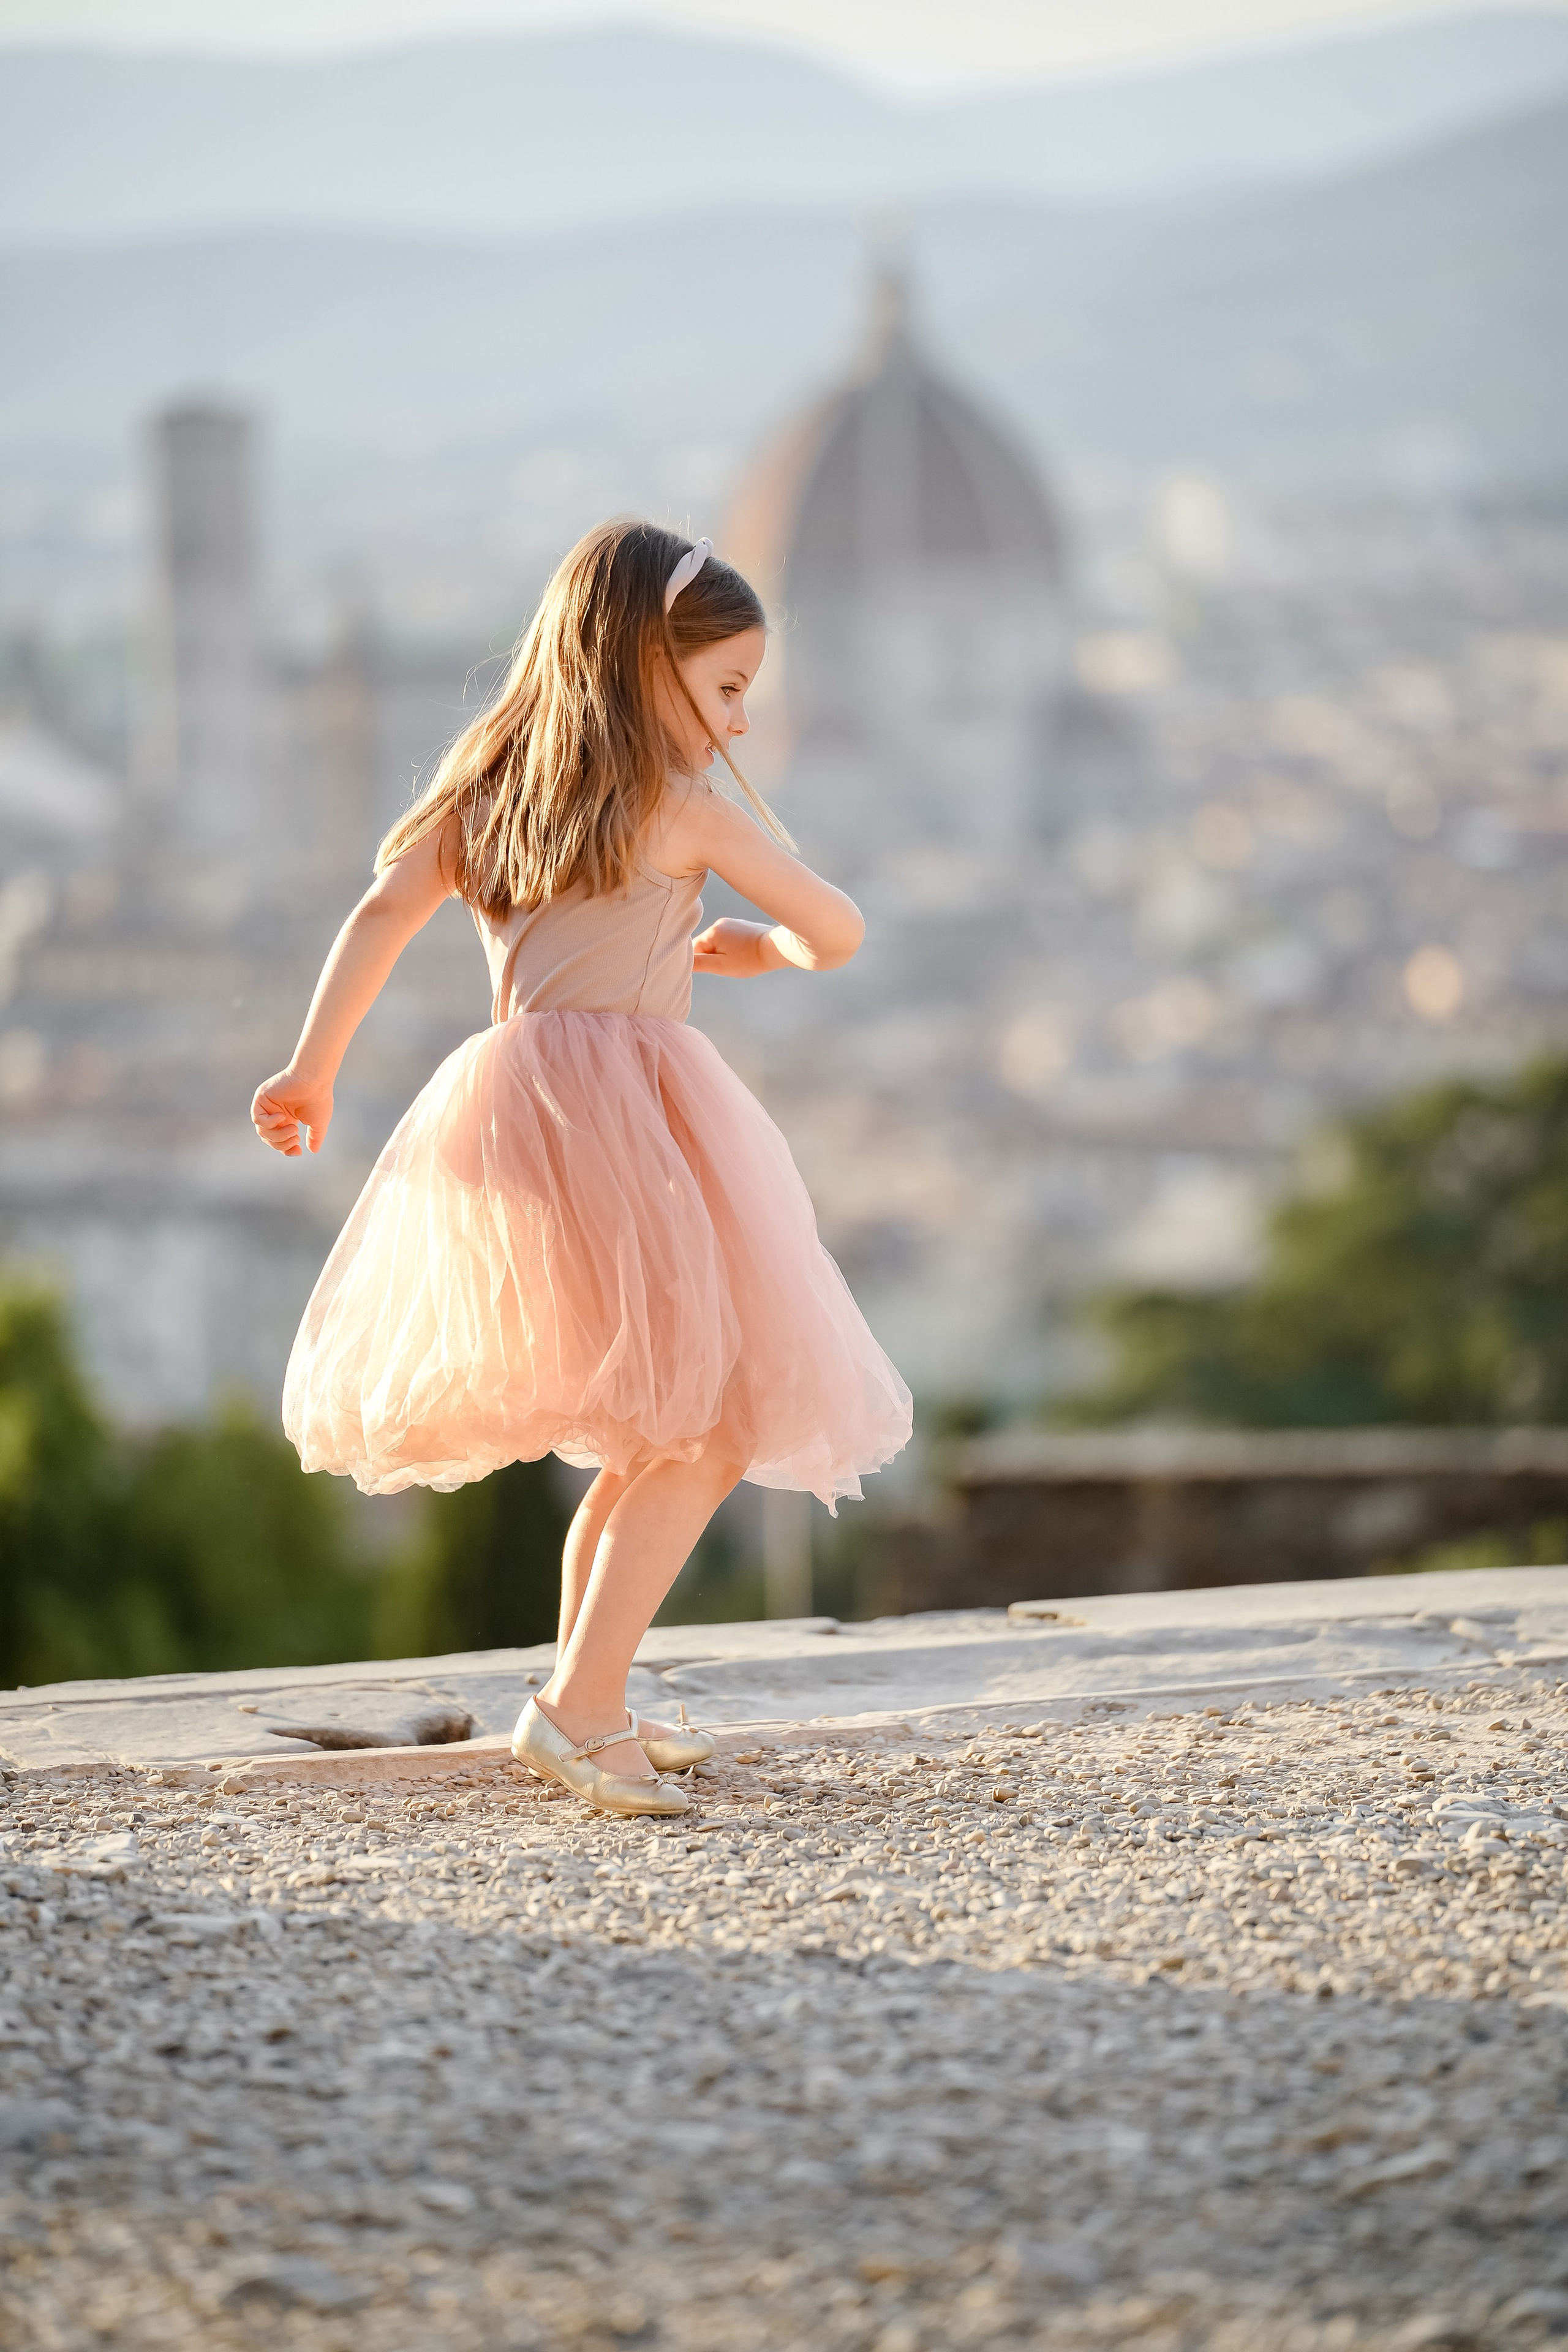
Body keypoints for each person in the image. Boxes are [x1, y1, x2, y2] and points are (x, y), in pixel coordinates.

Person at [251, 519, 912, 1819]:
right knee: (706, 1425)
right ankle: (579, 1708)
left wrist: (310, 1068)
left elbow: (380, 911)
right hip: (639, 1116)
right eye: (723, 688)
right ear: (639, 665)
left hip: (513, 1111)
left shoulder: (488, 789)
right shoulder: (681, 810)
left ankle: (579, 1693)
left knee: (649, 1427)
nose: (734, 720)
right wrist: (761, 954)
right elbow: (836, 928)